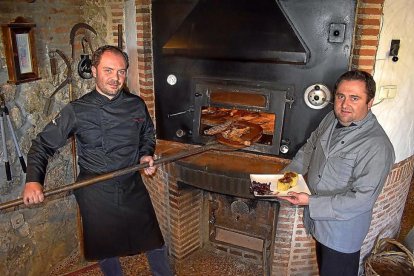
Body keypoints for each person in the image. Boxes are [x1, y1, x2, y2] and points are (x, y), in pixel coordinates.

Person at [22, 45, 173, 276]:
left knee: (153, 239)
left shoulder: (136, 104)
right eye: (108, 70)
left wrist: (145, 153)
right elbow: (41, 145)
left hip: (130, 183)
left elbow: (147, 135)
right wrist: (33, 181)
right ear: (93, 71)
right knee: (106, 248)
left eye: (121, 71)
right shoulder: (77, 110)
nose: (115, 78)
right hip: (95, 187)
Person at [279, 70, 395, 275]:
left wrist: (310, 202)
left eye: (355, 98)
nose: (344, 105)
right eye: (341, 96)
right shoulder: (331, 119)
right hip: (318, 222)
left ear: (370, 102)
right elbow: (310, 148)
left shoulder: (377, 146)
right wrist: (288, 176)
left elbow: (362, 199)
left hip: (342, 233)